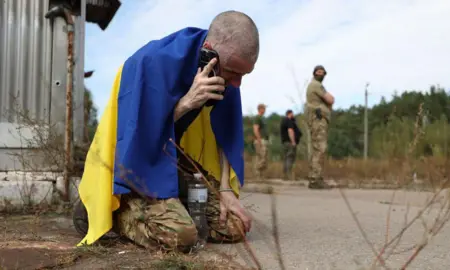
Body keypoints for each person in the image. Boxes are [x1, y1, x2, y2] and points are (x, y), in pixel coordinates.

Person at [76, 10, 260, 252]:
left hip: (170, 156)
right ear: (209, 50)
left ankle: (172, 205)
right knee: (181, 236)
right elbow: (137, 136)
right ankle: (107, 212)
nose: (237, 83)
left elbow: (226, 133)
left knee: (234, 226)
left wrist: (225, 189)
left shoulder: (224, 71)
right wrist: (186, 103)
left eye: (244, 74)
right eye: (234, 72)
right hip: (133, 161)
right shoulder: (151, 61)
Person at [305, 65, 335, 189]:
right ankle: (315, 179)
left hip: (317, 120)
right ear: (314, 73)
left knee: (317, 148)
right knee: (320, 148)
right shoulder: (316, 85)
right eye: (318, 72)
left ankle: (315, 177)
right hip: (318, 120)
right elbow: (330, 99)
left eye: (323, 72)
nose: (321, 74)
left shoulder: (314, 85)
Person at [280, 110, 302, 180]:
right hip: (289, 142)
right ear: (290, 114)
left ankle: (285, 176)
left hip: (285, 143)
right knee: (290, 158)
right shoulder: (288, 121)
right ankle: (289, 176)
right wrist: (293, 141)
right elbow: (290, 131)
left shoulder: (283, 121)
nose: (293, 115)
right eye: (293, 114)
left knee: (286, 158)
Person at [252, 103, 269, 180]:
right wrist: (259, 140)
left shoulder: (263, 118)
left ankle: (259, 176)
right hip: (260, 140)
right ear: (260, 109)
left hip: (264, 140)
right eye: (264, 108)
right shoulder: (257, 118)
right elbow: (255, 129)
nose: (265, 110)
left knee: (261, 157)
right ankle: (256, 171)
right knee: (262, 158)